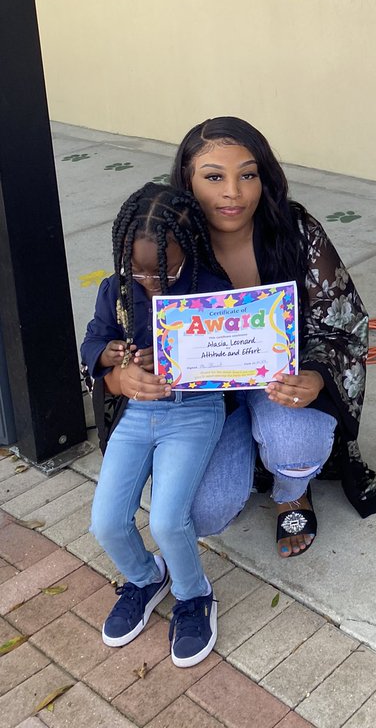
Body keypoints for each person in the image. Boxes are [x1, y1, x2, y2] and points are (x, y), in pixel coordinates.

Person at [167, 116, 376, 556]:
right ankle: (244, 442)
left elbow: (346, 321)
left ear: (264, 178)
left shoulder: (296, 230)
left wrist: (318, 377)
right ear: (188, 183)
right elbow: (124, 327)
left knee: (297, 446)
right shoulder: (167, 240)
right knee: (205, 515)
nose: (233, 191)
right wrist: (125, 371)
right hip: (207, 397)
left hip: (282, 380)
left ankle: (291, 491)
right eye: (213, 177)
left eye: (248, 174)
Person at [82, 183, 229, 668]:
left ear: (184, 246)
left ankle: (193, 595)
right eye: (136, 270)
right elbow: (93, 344)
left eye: (159, 268)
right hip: (135, 414)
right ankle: (147, 579)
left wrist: (181, 361)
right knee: (105, 520)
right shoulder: (115, 289)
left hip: (192, 411)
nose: (147, 280)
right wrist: (112, 363)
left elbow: (233, 359)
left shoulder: (210, 287)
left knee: (168, 519)